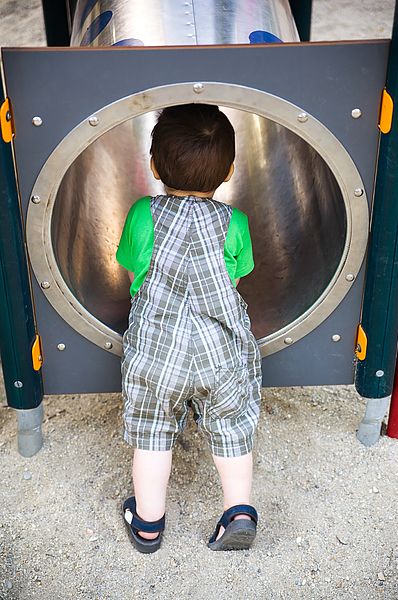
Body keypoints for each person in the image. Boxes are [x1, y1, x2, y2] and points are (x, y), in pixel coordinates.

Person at [115, 103, 262, 553]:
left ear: (154, 165)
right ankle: (238, 511)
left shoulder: (144, 214)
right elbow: (237, 275)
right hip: (220, 350)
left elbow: (130, 268)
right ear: (231, 170)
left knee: (153, 434)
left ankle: (147, 524)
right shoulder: (234, 222)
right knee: (232, 427)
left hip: (159, 352)